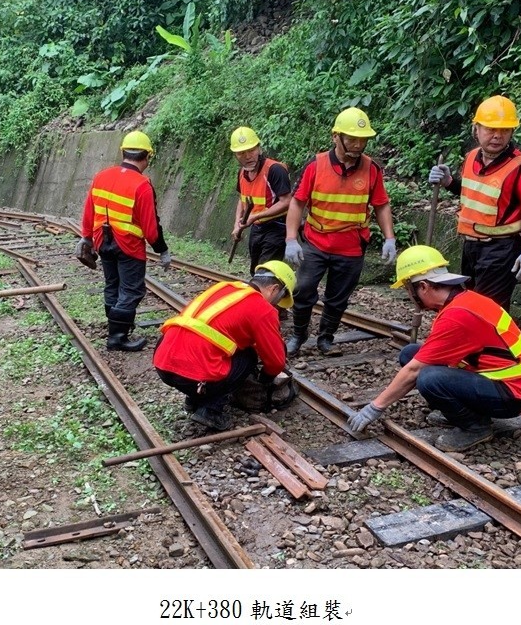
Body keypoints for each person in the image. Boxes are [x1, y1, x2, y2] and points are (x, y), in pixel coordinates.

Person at [347, 245, 521, 452]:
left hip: (513, 394)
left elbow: (414, 370)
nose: (411, 297)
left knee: (428, 378)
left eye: (409, 290)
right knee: (410, 353)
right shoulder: (466, 301)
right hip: (500, 380)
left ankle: (476, 427)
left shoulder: (457, 316)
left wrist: (374, 408)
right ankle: (461, 412)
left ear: (423, 287)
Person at [283, 107, 397, 356]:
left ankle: (326, 338)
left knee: (338, 297)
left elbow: (381, 204)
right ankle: (299, 335)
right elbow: (298, 202)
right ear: (336, 137)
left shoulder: (372, 169)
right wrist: (291, 239)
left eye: (362, 139)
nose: (358, 145)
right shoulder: (316, 165)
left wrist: (390, 237)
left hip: (351, 245)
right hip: (315, 241)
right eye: (352, 139)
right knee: (303, 288)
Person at [428, 95, 521, 312]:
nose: (497, 136)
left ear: (512, 132)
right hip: (471, 248)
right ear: (476, 129)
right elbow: (473, 193)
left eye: (504, 130)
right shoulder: (472, 156)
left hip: (501, 251)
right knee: (479, 309)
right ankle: (488, 345)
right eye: (490, 129)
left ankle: (493, 346)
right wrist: (449, 182)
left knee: (486, 313)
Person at [153, 261, 295, 431]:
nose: (276, 305)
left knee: (214, 348)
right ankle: (211, 410)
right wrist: (265, 378)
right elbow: (276, 362)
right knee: (248, 357)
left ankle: (194, 399)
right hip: (192, 375)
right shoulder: (262, 308)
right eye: (280, 298)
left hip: (163, 364)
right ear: (274, 289)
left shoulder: (224, 287)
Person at [76, 130, 171, 352]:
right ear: (148, 156)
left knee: (112, 285)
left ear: (123, 152)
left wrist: (86, 237)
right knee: (131, 290)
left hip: (102, 241)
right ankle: (117, 337)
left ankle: (115, 327)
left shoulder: (101, 176)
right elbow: (151, 227)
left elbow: (89, 210)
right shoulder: (142, 185)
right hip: (129, 246)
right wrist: (163, 250)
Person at [229, 126, 292, 276]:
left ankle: (266, 297)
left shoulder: (275, 170)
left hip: (277, 226)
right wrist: (237, 223)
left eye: (251, 150)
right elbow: (242, 199)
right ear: (236, 155)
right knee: (255, 270)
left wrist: (255, 216)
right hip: (257, 228)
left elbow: (286, 202)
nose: (247, 156)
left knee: (265, 272)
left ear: (259, 148)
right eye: (241, 153)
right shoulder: (242, 173)